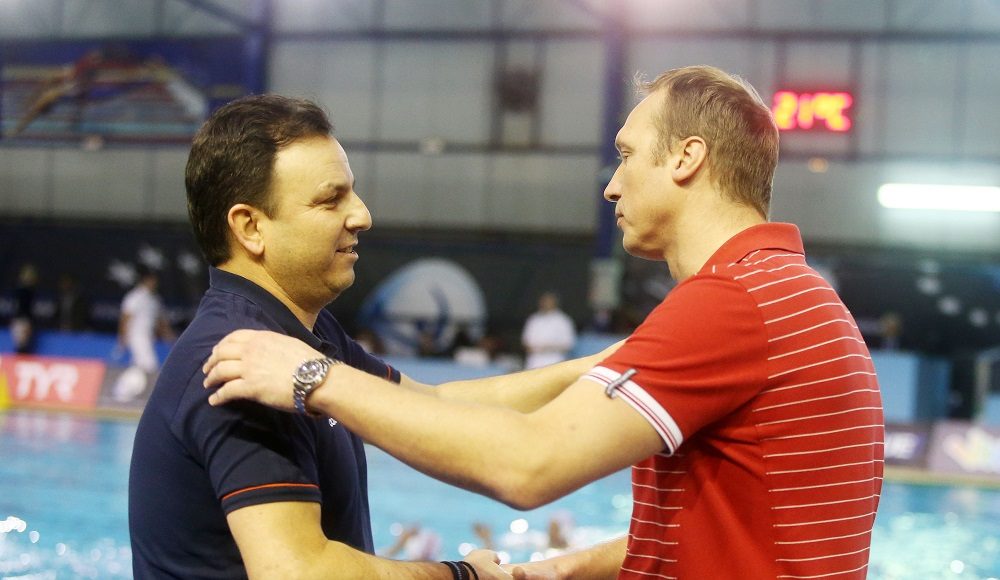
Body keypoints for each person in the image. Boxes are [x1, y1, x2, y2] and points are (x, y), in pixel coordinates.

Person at [203, 66, 884, 579]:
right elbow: (732, 528)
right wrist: (565, 569)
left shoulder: (729, 303)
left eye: (627, 155)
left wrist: (311, 377)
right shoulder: (798, 297)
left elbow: (527, 467)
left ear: (687, 158)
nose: (612, 185)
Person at [129, 94, 615, 579]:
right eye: (331, 199)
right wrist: (461, 575)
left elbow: (434, 403)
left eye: (353, 194)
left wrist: (603, 366)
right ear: (251, 227)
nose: (362, 215)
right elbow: (298, 573)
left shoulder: (304, 337)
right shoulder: (245, 365)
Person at [117, 267, 172, 374]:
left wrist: (169, 336)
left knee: (138, 366)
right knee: (149, 365)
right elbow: (125, 317)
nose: (154, 283)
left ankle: (125, 384)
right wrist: (122, 337)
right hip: (136, 336)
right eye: (152, 280)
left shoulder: (155, 299)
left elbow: (160, 321)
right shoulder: (135, 297)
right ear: (146, 280)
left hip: (149, 337)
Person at [521, 291, 577, 369]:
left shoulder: (563, 320)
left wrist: (548, 348)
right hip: (534, 362)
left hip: (555, 361)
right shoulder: (533, 319)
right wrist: (537, 349)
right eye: (544, 301)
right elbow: (526, 342)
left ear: (555, 302)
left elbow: (569, 344)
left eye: (549, 301)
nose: (546, 303)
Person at [10, 264, 39, 354]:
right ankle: (18, 358)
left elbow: (30, 309)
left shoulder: (30, 291)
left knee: (24, 344)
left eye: (30, 276)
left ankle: (22, 357)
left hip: (25, 320)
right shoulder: (19, 290)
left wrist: (29, 322)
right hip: (19, 320)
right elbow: (16, 307)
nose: (28, 278)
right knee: (20, 344)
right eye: (26, 275)